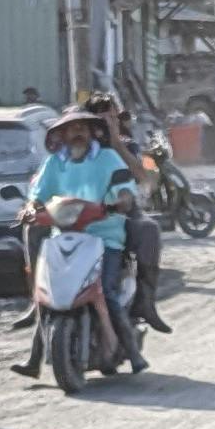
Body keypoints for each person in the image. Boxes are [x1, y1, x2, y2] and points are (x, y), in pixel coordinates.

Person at [16, 107, 139, 377]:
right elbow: (37, 196)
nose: (78, 132)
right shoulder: (54, 163)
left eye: (83, 127)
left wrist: (122, 200)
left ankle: (132, 350)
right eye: (72, 128)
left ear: (92, 131)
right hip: (63, 237)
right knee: (47, 295)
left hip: (105, 237)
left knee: (107, 292)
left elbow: (125, 187)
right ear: (62, 134)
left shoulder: (108, 158)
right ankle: (34, 358)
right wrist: (30, 209)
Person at [76, 88, 172, 337]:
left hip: (122, 212)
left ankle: (146, 302)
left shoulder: (129, 145)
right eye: (101, 119)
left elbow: (145, 178)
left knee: (149, 230)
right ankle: (39, 305)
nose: (108, 123)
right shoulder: (77, 146)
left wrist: (117, 144)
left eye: (112, 117)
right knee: (35, 230)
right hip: (80, 213)